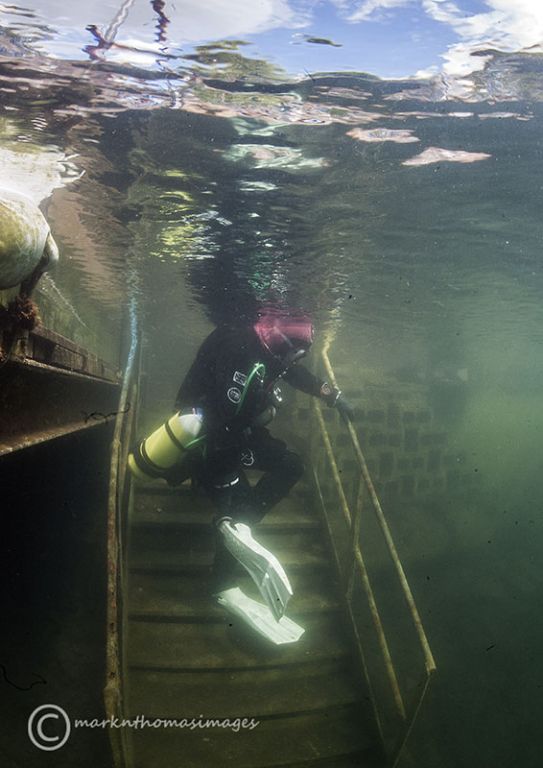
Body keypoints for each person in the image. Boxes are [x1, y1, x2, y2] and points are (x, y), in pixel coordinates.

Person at [173, 311, 353, 643]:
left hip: (236, 434)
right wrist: (228, 485)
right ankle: (222, 579)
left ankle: (239, 522)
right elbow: (222, 418)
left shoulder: (269, 351)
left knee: (291, 466)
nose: (294, 360)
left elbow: (292, 373)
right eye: (296, 352)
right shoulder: (240, 350)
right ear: (281, 341)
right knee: (237, 500)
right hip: (207, 439)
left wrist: (332, 395)